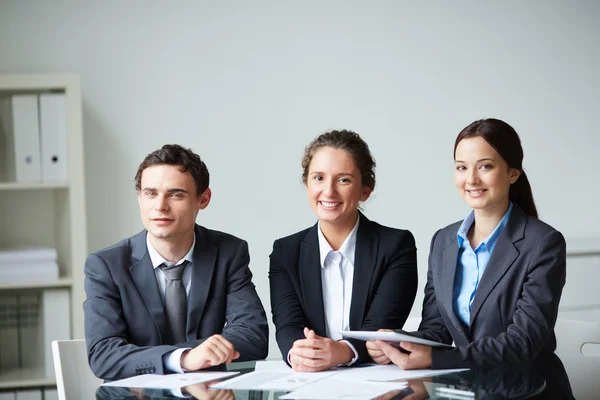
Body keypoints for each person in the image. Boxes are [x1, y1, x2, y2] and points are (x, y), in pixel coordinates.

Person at [367, 119, 573, 398]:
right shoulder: (443, 241)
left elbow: (521, 344)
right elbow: (436, 331)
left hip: (529, 390)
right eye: (461, 167)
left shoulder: (543, 243)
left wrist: (434, 359)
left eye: (485, 166)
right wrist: (395, 342)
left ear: (513, 173)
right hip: (467, 391)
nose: (471, 179)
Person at [84, 144, 269, 380]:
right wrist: (183, 358)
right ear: (140, 197)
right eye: (151, 193)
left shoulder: (228, 253)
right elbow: (103, 355)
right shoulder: (106, 265)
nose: (160, 206)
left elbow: (253, 335)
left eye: (175, 194)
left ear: (203, 199)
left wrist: (197, 355)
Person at [269, 129, 418, 372]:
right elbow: (288, 325)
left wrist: (345, 352)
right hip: (308, 381)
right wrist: (298, 353)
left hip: (376, 381)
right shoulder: (285, 252)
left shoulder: (396, 245)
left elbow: (381, 325)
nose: (328, 191)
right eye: (318, 178)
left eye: (343, 180)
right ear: (306, 183)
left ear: (365, 190)